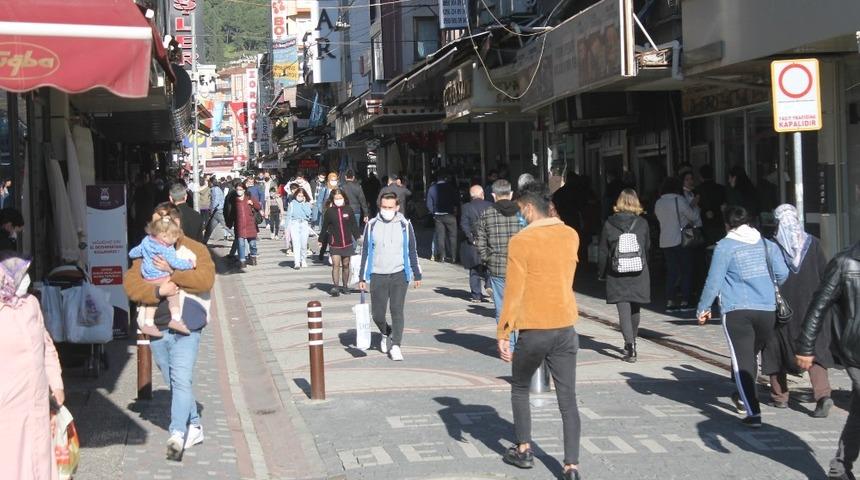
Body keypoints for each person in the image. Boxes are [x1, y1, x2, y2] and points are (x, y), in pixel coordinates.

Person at [496, 182, 582, 480]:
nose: (520, 216)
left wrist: (503, 332)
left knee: (520, 387)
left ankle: (523, 450)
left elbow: (513, 292)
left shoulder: (521, 241)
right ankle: (571, 466)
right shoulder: (571, 235)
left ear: (530, 208)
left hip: (534, 327)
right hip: (565, 325)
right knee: (567, 398)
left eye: (521, 211)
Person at [124, 203, 215, 461]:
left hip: (187, 324)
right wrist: (156, 292)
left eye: (165, 223)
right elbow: (131, 284)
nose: (160, 228)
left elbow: (205, 280)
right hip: (156, 326)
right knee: (174, 380)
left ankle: (176, 435)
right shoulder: (147, 247)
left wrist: (172, 272)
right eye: (156, 223)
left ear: (177, 225)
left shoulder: (195, 249)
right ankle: (194, 425)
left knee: (181, 379)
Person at [696, 205, 787, 428]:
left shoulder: (725, 246)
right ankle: (742, 395)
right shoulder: (767, 244)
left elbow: (714, 280)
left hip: (737, 310)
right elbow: (783, 273)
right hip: (767, 311)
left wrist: (703, 308)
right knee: (751, 355)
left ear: (728, 225)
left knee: (742, 360)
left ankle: (753, 411)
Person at [796, 239, 860, 480]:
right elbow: (818, 306)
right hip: (856, 351)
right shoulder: (844, 263)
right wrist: (805, 346)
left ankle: (839, 468)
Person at [761, 204, 833, 414]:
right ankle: (823, 395)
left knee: (775, 348)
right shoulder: (813, 243)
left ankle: (780, 396)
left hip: (782, 307)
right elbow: (825, 274)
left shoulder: (772, 246)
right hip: (811, 306)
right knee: (814, 350)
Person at [0, 255, 64, 480]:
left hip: (36, 402)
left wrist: (56, 384)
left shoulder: (31, 304)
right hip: (7, 408)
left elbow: (46, 346)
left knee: (39, 463)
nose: (25, 279)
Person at [358, 192, 422, 362]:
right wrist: (362, 278)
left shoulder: (404, 224)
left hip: (399, 274)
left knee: (396, 310)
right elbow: (365, 252)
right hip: (377, 274)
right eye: (384, 207)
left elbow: (412, 250)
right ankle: (386, 331)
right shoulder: (371, 225)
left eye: (390, 207)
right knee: (377, 314)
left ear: (397, 207)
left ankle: (396, 345)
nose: (387, 210)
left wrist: (417, 273)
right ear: (380, 207)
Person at [597, 189, 650, 363]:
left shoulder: (609, 223)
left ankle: (630, 345)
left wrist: (601, 273)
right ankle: (633, 340)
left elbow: (604, 251)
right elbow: (647, 246)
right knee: (636, 307)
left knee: (623, 308)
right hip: (638, 271)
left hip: (617, 271)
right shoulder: (642, 223)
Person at [128, 214, 196, 336]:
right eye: (174, 237)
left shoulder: (146, 241)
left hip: (148, 278)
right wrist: (190, 264)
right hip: (162, 277)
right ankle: (176, 319)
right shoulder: (166, 248)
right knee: (174, 294)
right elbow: (176, 263)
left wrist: (142, 256)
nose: (175, 240)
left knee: (152, 301)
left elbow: (133, 253)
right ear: (164, 236)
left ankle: (148, 323)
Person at [476, 179, 524, 341]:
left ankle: (508, 344)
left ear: (493, 195)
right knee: (521, 306)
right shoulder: (522, 213)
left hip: (497, 267)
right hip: (520, 267)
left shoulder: (487, 214)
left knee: (501, 308)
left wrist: (487, 258)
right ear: (511, 194)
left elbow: (480, 241)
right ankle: (521, 344)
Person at [654, 176, 701, 312]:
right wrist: (694, 204)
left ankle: (670, 301)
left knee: (672, 271)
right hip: (681, 240)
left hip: (665, 241)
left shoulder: (659, 203)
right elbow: (693, 216)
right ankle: (685, 301)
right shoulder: (679, 200)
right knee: (686, 270)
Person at [320, 189, 361, 296]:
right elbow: (324, 227)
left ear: (344, 198)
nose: (339, 200)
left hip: (347, 242)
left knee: (346, 264)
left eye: (340, 198)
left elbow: (353, 225)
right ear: (333, 200)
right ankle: (336, 287)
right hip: (335, 242)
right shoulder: (329, 212)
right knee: (336, 265)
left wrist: (358, 237)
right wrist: (321, 240)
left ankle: (345, 286)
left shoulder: (348, 209)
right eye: (336, 198)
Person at [460, 185, 492, 302]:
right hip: (488, 242)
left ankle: (476, 295)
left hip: (473, 242)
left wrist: (471, 238)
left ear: (471, 196)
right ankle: (489, 285)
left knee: (474, 270)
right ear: (482, 194)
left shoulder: (466, 207)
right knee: (489, 267)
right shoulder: (490, 205)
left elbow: (464, 225)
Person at [427, 171, 461, 263]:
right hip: (449, 214)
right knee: (453, 236)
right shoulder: (451, 188)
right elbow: (456, 200)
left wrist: (433, 213)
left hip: (438, 215)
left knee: (440, 237)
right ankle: (453, 257)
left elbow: (429, 203)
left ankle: (442, 257)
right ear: (445, 179)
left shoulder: (432, 188)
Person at [233, 182, 261, 268]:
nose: (239, 191)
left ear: (244, 190)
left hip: (250, 224)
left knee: (252, 244)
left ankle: (253, 256)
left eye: (240, 189)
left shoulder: (249, 198)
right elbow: (231, 212)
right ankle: (242, 261)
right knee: (241, 244)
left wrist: (252, 203)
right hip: (240, 225)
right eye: (237, 189)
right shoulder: (234, 200)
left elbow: (258, 207)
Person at [696, 164, 727, 245]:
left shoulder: (697, 190)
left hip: (703, 222)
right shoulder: (721, 188)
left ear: (700, 176)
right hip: (719, 221)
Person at [287, 188, 313, 270]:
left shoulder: (307, 204)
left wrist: (304, 204)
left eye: (302, 196)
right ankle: (297, 262)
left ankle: (303, 259)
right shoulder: (292, 204)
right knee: (296, 243)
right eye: (299, 195)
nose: (300, 197)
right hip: (294, 224)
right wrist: (287, 228)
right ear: (295, 195)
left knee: (304, 244)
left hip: (304, 224)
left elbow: (309, 214)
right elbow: (288, 216)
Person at [203, 176, 230, 244]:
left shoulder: (215, 189)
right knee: (209, 228)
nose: (208, 184)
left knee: (226, 227)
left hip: (218, 211)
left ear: (212, 182)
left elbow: (215, 201)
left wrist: (211, 209)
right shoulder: (215, 189)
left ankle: (238, 238)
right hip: (216, 212)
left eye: (209, 182)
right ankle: (203, 243)